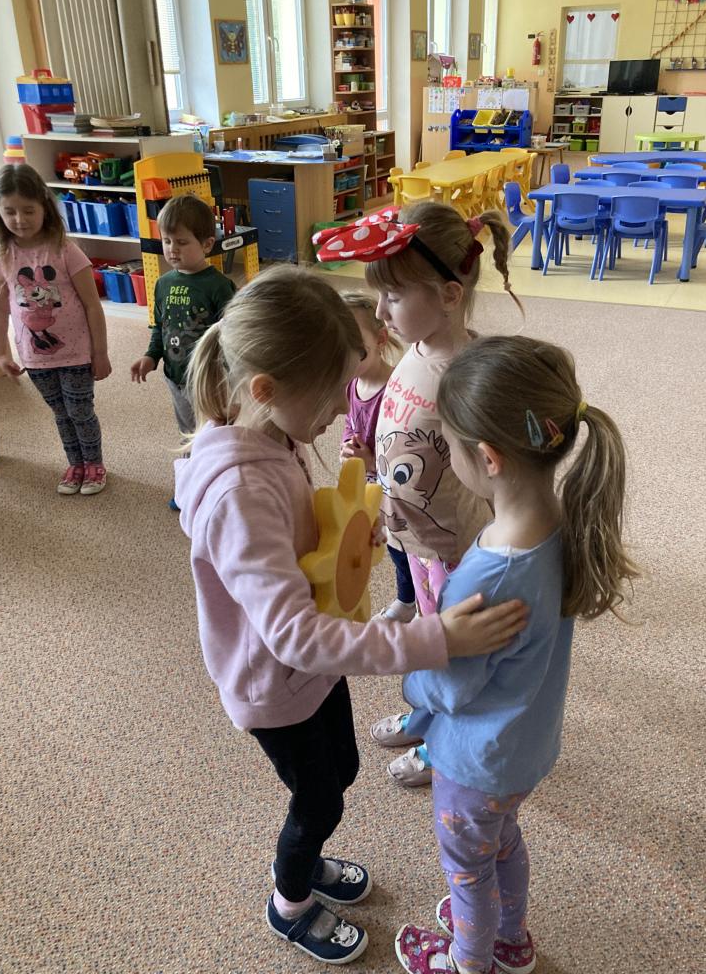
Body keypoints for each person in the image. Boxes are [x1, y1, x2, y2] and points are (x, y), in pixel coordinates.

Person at [174, 267, 529, 967]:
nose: (345, 406)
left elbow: (298, 554)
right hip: (276, 683)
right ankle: (290, 901)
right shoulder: (239, 492)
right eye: (332, 392)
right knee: (318, 800)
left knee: (340, 769)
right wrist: (435, 639)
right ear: (266, 389)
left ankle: (306, 859)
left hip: (312, 672)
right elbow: (293, 634)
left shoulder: (271, 434)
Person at [393, 335, 639, 974]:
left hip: (475, 760)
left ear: (487, 458)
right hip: (524, 748)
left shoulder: (492, 573)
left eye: (448, 445)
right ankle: (512, 937)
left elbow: (450, 686)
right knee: (501, 843)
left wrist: (410, 679)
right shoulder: (562, 521)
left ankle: (470, 960)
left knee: (466, 868)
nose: (446, 456)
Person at [315, 202, 522, 788]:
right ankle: (428, 714)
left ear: (450, 295)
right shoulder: (418, 346)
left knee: (455, 653)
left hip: (456, 549)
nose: (381, 313)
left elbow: (498, 472)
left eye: (393, 297)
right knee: (432, 639)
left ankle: (444, 742)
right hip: (417, 539)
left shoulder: (465, 375)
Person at [0, 164, 111, 494]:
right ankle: (75, 464)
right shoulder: (0, 257)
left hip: (77, 353)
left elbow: (92, 304)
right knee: (60, 413)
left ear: (44, 206)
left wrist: (100, 352)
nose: (20, 219)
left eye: (28, 210)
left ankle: (94, 464)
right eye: (10, 211)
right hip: (36, 358)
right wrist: (1, 353)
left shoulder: (64, 249)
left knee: (79, 411)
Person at [130, 194, 236, 508]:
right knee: (188, 433)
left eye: (181, 242)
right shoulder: (162, 284)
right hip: (175, 377)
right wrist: (151, 356)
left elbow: (232, 335)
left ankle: (219, 487)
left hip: (209, 380)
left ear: (206, 244)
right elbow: (159, 326)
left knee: (213, 433)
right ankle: (190, 487)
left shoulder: (218, 286)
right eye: (166, 241)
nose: (172, 249)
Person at [339, 290, 416, 623]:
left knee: (407, 544)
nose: (345, 357)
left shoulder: (397, 388)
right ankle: (407, 599)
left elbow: (407, 452)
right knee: (391, 545)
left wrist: (372, 462)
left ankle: (418, 600)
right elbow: (350, 424)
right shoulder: (351, 385)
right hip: (371, 486)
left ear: (381, 339)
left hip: (397, 486)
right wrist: (347, 446)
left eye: (355, 346)